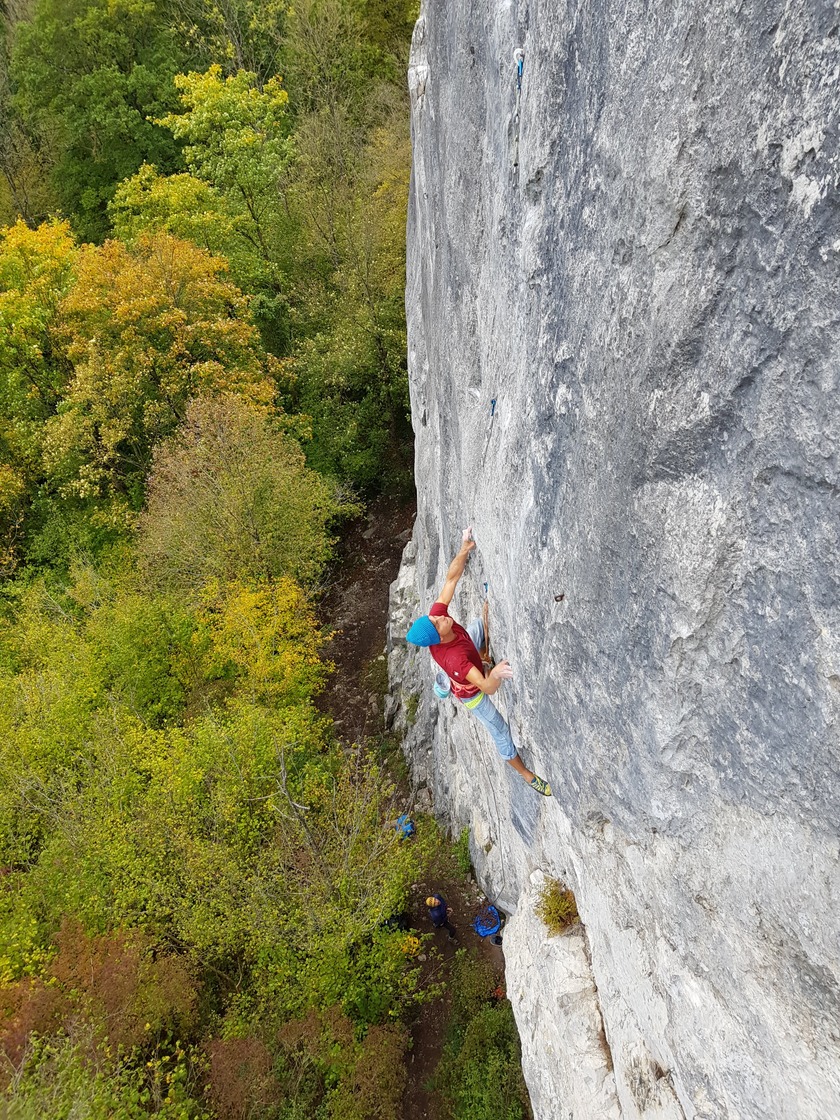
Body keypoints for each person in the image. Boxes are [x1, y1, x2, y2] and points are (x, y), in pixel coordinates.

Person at [406, 528, 551, 796]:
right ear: (436, 638)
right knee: (500, 729)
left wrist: (463, 548)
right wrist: (493, 672)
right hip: (471, 692)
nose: (441, 617)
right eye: (438, 623)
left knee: (477, 625)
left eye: (436, 618)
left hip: (468, 653)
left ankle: (483, 655)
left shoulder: (438, 622)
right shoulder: (455, 659)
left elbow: (451, 579)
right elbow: (487, 687)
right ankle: (526, 775)